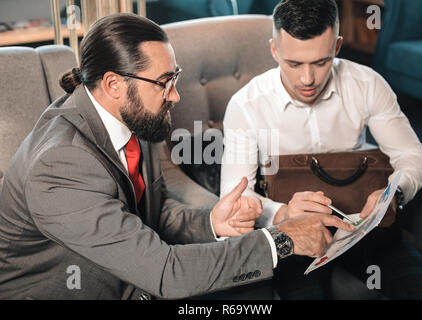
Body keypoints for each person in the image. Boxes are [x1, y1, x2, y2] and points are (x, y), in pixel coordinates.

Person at [0, 13, 354, 300]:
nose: (175, 96)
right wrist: (282, 239)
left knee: (253, 289)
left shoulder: (135, 117)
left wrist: (212, 222)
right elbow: (166, 273)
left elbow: (154, 212)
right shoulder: (59, 164)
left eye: (176, 78)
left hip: (137, 276)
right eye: (165, 81)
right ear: (113, 84)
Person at [220, 0, 422, 299]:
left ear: (337, 47)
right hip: (293, 235)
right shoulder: (245, 105)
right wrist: (283, 213)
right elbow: (235, 196)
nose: (307, 79)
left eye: (320, 62)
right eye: (294, 63)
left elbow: (413, 157)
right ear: (275, 50)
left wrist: (396, 192)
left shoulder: (367, 84)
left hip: (363, 228)